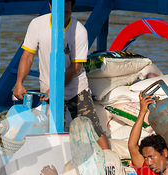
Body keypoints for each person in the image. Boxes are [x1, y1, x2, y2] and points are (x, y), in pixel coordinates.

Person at [13, 0, 110, 149]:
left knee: (92, 128)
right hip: (48, 89)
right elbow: (27, 56)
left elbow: (76, 67)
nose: (63, 16)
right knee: (52, 131)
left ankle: (109, 161)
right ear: (51, 6)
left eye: (66, 12)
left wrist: (56, 88)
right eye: (59, 12)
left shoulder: (80, 31)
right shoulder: (37, 24)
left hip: (75, 88)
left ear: (72, 8)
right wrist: (19, 83)